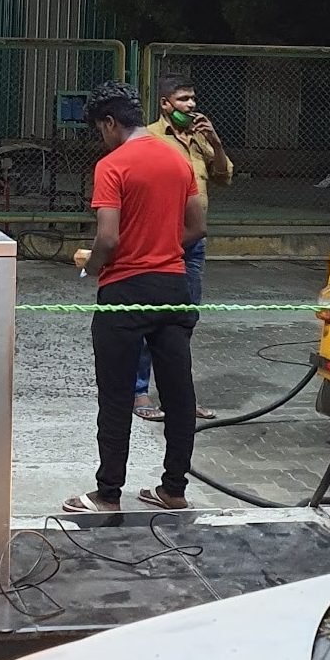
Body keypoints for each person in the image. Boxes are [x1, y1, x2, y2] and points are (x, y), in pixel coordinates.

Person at [65, 80, 207, 515]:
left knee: (115, 394)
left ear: (110, 123)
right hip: (173, 287)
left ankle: (108, 494)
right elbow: (197, 227)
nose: (102, 137)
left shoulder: (113, 165)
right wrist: (160, 249)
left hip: (124, 293)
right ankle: (173, 490)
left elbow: (107, 237)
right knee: (179, 393)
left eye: (100, 129)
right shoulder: (178, 160)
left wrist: (93, 266)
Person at [134, 74, 232, 422]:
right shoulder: (149, 138)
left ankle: (179, 396)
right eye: (183, 100)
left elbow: (223, 176)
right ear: (165, 104)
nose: (191, 106)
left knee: (184, 318)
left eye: (193, 99)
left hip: (193, 243)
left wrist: (215, 141)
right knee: (149, 316)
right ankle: (139, 392)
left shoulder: (200, 139)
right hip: (159, 240)